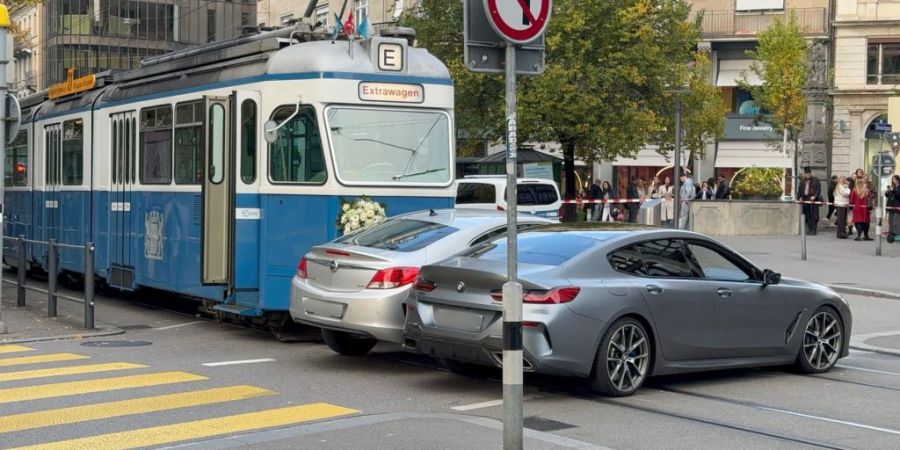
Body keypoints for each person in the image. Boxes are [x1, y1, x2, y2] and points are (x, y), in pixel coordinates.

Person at [796, 167, 821, 235]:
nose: (808, 174)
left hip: (813, 200)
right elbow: (799, 191)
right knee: (807, 216)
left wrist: (815, 196)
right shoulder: (802, 181)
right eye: (806, 173)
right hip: (805, 200)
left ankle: (814, 230)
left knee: (814, 215)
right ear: (805, 174)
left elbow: (818, 190)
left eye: (809, 173)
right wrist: (799, 198)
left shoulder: (816, 180)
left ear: (811, 173)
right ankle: (810, 229)